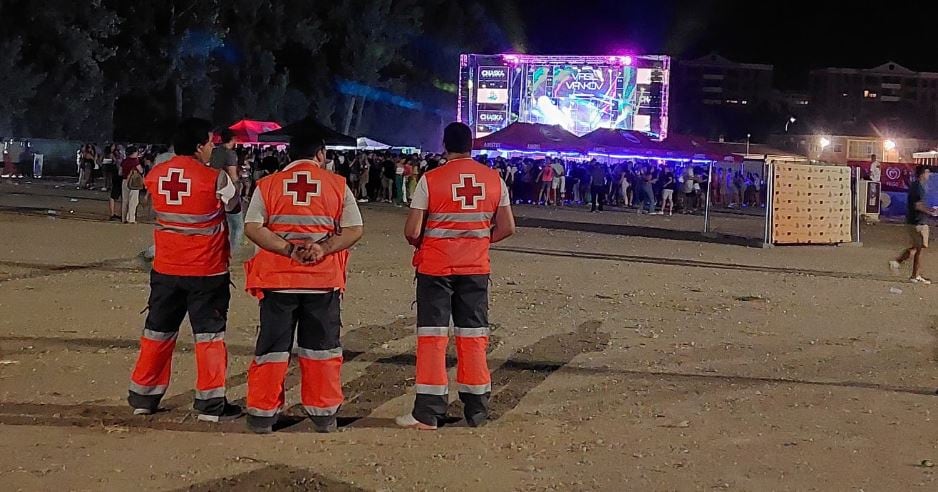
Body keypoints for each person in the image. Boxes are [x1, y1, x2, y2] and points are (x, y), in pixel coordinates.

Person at [242, 131, 364, 434]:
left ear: (288, 154)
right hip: (321, 282)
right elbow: (354, 229)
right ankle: (324, 415)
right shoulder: (337, 185)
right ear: (320, 154)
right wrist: (322, 248)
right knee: (321, 349)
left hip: (277, 282)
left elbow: (252, 227)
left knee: (272, 349)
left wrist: (288, 250)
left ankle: (262, 414)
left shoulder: (267, 185)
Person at [397, 122, 515, 430]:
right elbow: (507, 227)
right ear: (472, 145)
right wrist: (476, 241)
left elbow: (412, 230)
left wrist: (426, 241)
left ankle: (428, 412)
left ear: (444, 145)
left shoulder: (430, 179)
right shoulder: (494, 179)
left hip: (435, 269)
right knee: (473, 337)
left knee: (433, 338)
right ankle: (476, 410)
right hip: (475, 268)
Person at [127, 118, 242, 422]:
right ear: (198, 145)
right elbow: (233, 207)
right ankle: (210, 404)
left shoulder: (157, 173)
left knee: (157, 333)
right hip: (207, 270)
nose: (211, 149)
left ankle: (143, 397)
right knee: (209, 338)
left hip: (166, 269)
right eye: (209, 143)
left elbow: (149, 199)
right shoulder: (215, 178)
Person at [891, 165, 937, 284]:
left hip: (914, 221)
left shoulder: (916, 186)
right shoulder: (919, 187)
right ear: (923, 174)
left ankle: (898, 262)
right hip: (918, 222)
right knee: (920, 248)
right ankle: (915, 275)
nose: (929, 175)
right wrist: (931, 212)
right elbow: (918, 205)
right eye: (927, 173)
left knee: (917, 247)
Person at [210, 129, 244, 256]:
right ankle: (231, 252)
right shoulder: (230, 154)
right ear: (233, 139)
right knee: (237, 225)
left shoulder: (214, 152)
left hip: (212, 190)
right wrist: (239, 188)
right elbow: (233, 175)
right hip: (227, 192)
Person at [120, 146, 144, 223]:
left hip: (124, 181)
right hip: (134, 182)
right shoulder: (135, 161)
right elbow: (141, 170)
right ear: (134, 153)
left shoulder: (124, 161)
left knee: (125, 201)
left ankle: (123, 218)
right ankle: (131, 218)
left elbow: (120, 172)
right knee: (133, 201)